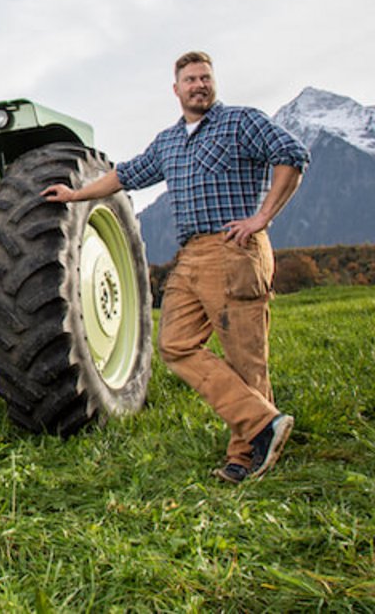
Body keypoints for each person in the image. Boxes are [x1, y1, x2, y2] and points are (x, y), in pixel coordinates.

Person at [42, 51, 309, 483]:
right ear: (176, 89)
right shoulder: (170, 141)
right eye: (190, 80)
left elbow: (292, 156)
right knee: (174, 344)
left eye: (205, 78)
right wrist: (75, 196)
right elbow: (126, 174)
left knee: (245, 359)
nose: (199, 85)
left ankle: (247, 455)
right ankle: (263, 423)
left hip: (234, 248)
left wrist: (262, 218)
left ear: (213, 83)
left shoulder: (241, 122)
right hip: (191, 256)